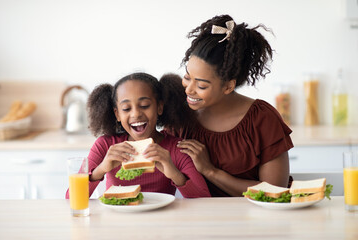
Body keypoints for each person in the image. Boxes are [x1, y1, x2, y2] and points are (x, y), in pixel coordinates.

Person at [163, 14, 294, 197]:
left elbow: (275, 191)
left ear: (228, 86)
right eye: (187, 77)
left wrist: (210, 171)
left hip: (254, 221)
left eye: (201, 85)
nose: (189, 89)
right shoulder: (179, 115)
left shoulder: (262, 118)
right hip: (194, 220)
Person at [65, 72, 211, 199]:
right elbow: (71, 197)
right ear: (117, 114)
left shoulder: (175, 148)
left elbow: (203, 199)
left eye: (145, 105)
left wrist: (173, 171)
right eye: (126, 108)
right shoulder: (105, 145)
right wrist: (101, 169)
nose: (136, 114)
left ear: (159, 107)